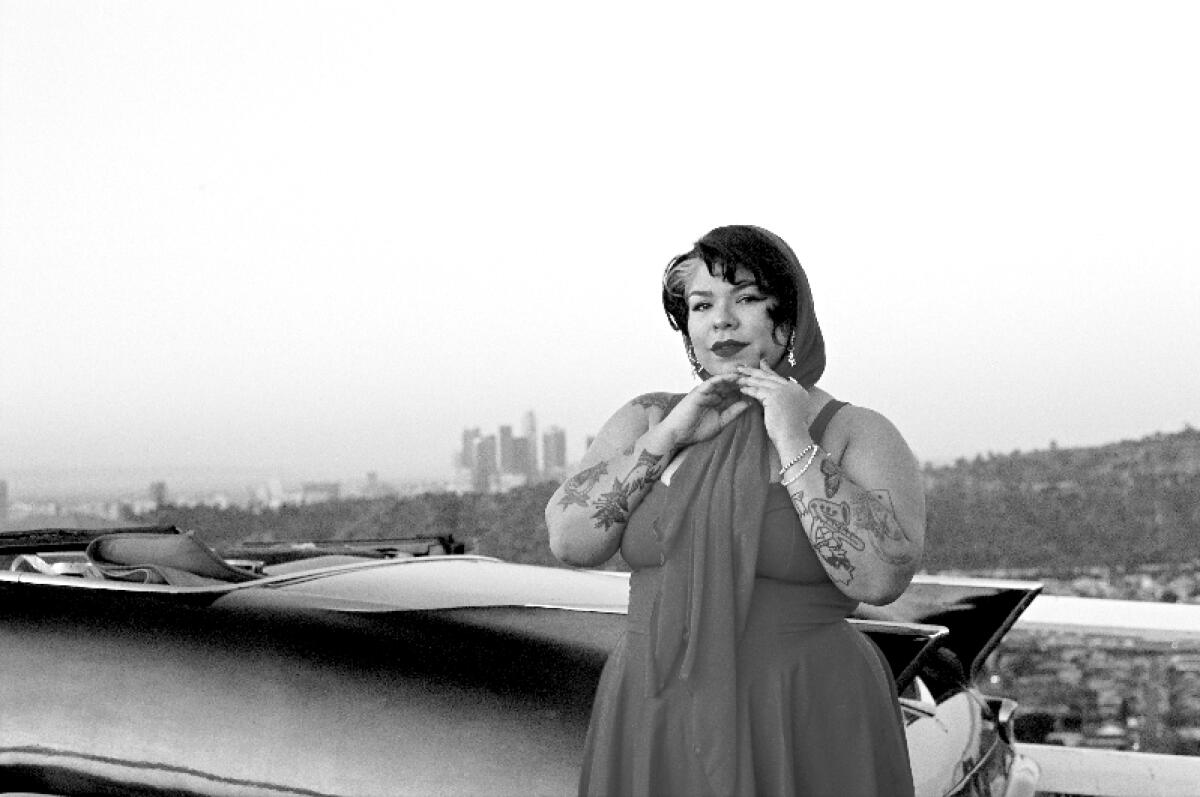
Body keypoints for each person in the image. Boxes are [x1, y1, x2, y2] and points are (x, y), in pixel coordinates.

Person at [546, 225, 925, 797]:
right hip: (655, 700)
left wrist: (793, 440)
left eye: (745, 297)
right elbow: (571, 542)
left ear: (790, 314)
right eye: (701, 305)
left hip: (803, 703)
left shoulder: (854, 432)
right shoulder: (647, 419)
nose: (721, 319)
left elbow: (880, 578)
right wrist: (669, 437)